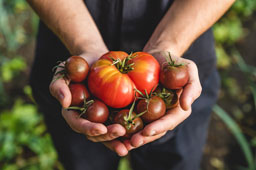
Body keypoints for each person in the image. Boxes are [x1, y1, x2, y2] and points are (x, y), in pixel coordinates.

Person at [27, 0, 235, 170]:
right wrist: (84, 43)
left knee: (176, 161)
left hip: (184, 39)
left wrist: (169, 44)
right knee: (81, 162)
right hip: (68, 40)